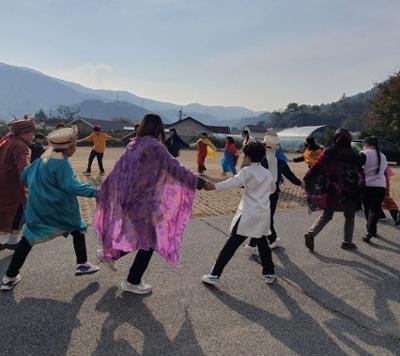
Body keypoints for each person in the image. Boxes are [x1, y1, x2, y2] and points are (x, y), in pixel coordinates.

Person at [94, 114, 206, 295]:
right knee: (149, 241)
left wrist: (107, 191)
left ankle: (111, 254)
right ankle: (132, 280)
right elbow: (175, 167)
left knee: (140, 237)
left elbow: (117, 169)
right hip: (144, 203)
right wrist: (199, 183)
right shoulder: (155, 146)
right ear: (158, 129)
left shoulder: (133, 144)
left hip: (129, 200)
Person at [1, 126, 99, 291]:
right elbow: (70, 186)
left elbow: (25, 176)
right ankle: (82, 263)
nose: (75, 148)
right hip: (59, 208)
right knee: (77, 228)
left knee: (27, 239)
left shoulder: (43, 158)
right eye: (74, 145)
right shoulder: (62, 163)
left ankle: (9, 277)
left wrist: (39, 190)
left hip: (37, 207)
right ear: (67, 147)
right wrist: (95, 192)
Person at [202, 142, 277, 286]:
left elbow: (233, 182)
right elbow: (272, 189)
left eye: (244, 155)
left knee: (232, 244)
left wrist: (214, 186)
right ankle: (269, 273)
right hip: (262, 214)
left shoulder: (247, 171)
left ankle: (215, 274)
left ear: (247, 157)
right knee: (262, 243)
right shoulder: (267, 173)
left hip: (249, 214)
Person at [303, 128, 364, 251]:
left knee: (327, 215)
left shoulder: (328, 152)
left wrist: (306, 180)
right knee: (350, 216)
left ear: (335, 139)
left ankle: (311, 233)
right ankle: (347, 242)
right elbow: (361, 169)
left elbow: (315, 168)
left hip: (332, 191)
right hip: (349, 191)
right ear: (349, 140)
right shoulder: (353, 154)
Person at [246, 132, 303, 250]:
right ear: (277, 147)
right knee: (266, 218)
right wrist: (302, 184)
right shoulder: (280, 162)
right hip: (272, 194)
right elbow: (291, 176)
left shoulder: (259, 161)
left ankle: (264, 241)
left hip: (260, 194)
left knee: (265, 218)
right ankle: (256, 243)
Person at [0, 116, 35, 250]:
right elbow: (24, 169)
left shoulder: (6, 140)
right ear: (23, 133)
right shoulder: (21, 146)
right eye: (31, 133)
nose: (32, 136)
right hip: (13, 185)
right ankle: (13, 240)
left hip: (2, 181)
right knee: (19, 210)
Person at [361, 136, 388, 242]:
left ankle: (370, 232)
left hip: (368, 186)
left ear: (366, 144)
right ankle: (373, 230)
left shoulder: (364, 153)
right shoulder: (383, 156)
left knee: (368, 210)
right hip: (381, 186)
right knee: (375, 209)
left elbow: (358, 167)